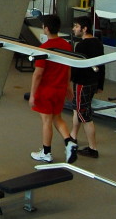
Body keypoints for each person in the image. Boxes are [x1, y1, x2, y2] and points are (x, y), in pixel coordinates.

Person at [29, 13, 78, 165]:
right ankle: (69, 142)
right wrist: (68, 87)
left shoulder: (44, 49)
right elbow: (68, 69)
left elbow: (38, 74)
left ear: (46, 29)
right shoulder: (66, 46)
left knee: (46, 121)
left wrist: (32, 95)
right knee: (57, 118)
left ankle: (46, 152)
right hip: (60, 89)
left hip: (46, 91)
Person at [70, 17, 104, 158]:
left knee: (84, 115)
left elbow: (76, 67)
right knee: (77, 109)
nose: (74, 29)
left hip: (82, 83)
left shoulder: (81, 46)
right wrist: (100, 84)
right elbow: (102, 65)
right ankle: (73, 136)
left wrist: (70, 80)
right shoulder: (98, 43)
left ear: (84, 29)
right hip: (92, 82)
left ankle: (92, 148)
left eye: (76, 26)